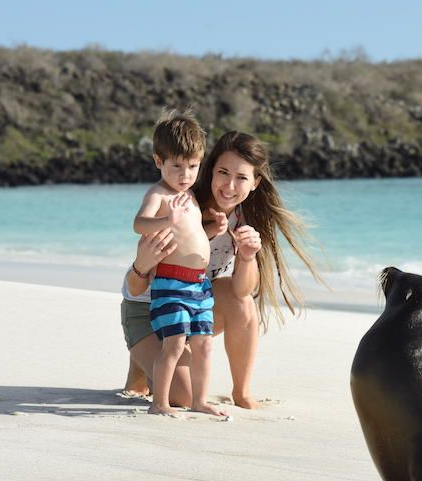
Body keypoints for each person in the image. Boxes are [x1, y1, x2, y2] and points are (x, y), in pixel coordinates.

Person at [121, 130, 322, 409]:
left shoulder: (244, 219)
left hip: (193, 301)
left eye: (241, 177)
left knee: (242, 302)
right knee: (184, 397)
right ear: (210, 171)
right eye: (223, 172)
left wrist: (248, 256)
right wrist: (142, 264)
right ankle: (143, 357)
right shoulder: (183, 205)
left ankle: (242, 393)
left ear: (255, 183)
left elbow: (242, 292)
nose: (229, 185)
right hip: (148, 308)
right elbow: (135, 288)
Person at [133, 110, 225, 417]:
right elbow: (139, 224)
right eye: (177, 166)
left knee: (204, 345)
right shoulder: (159, 194)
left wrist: (216, 229)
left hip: (200, 285)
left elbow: (195, 236)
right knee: (173, 344)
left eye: (193, 167)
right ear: (159, 161)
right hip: (170, 284)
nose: (185, 175)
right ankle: (159, 403)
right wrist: (164, 218)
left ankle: (200, 401)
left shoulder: (190, 197)